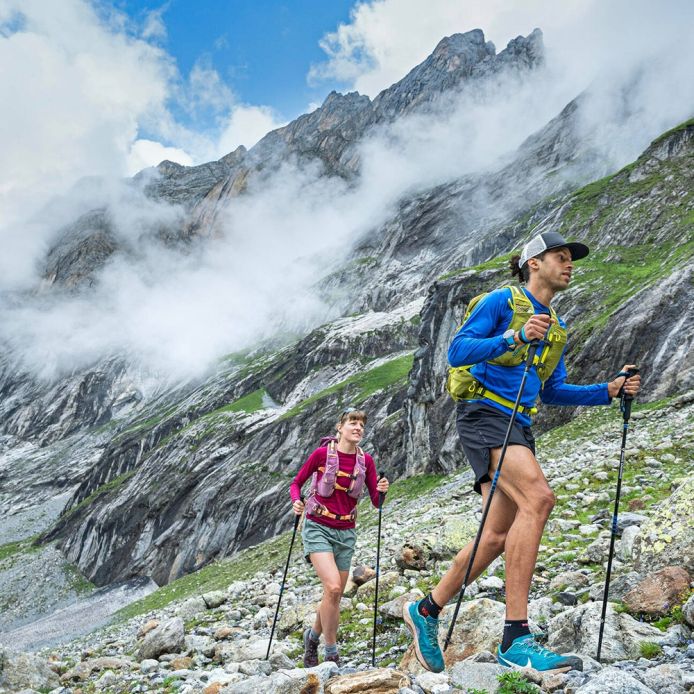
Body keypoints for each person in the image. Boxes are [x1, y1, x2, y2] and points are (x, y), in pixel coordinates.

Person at [402, 231, 641, 674]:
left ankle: (427, 611)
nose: (570, 265)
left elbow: (553, 390)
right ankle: (516, 637)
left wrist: (606, 391)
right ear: (534, 262)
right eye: (561, 257)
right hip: (485, 415)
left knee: (494, 536)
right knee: (539, 498)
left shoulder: (556, 326)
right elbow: (456, 352)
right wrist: (513, 336)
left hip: (520, 426)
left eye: (572, 259)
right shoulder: (501, 301)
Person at [290, 407, 389, 667]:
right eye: (352, 423)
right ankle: (331, 651)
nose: (358, 428)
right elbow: (295, 483)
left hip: (346, 532)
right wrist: (296, 502)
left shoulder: (365, 461)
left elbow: (376, 502)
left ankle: (311, 638)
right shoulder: (322, 454)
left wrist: (382, 490)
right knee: (334, 587)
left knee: (333, 595)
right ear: (340, 427)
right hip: (317, 527)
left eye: (361, 425)